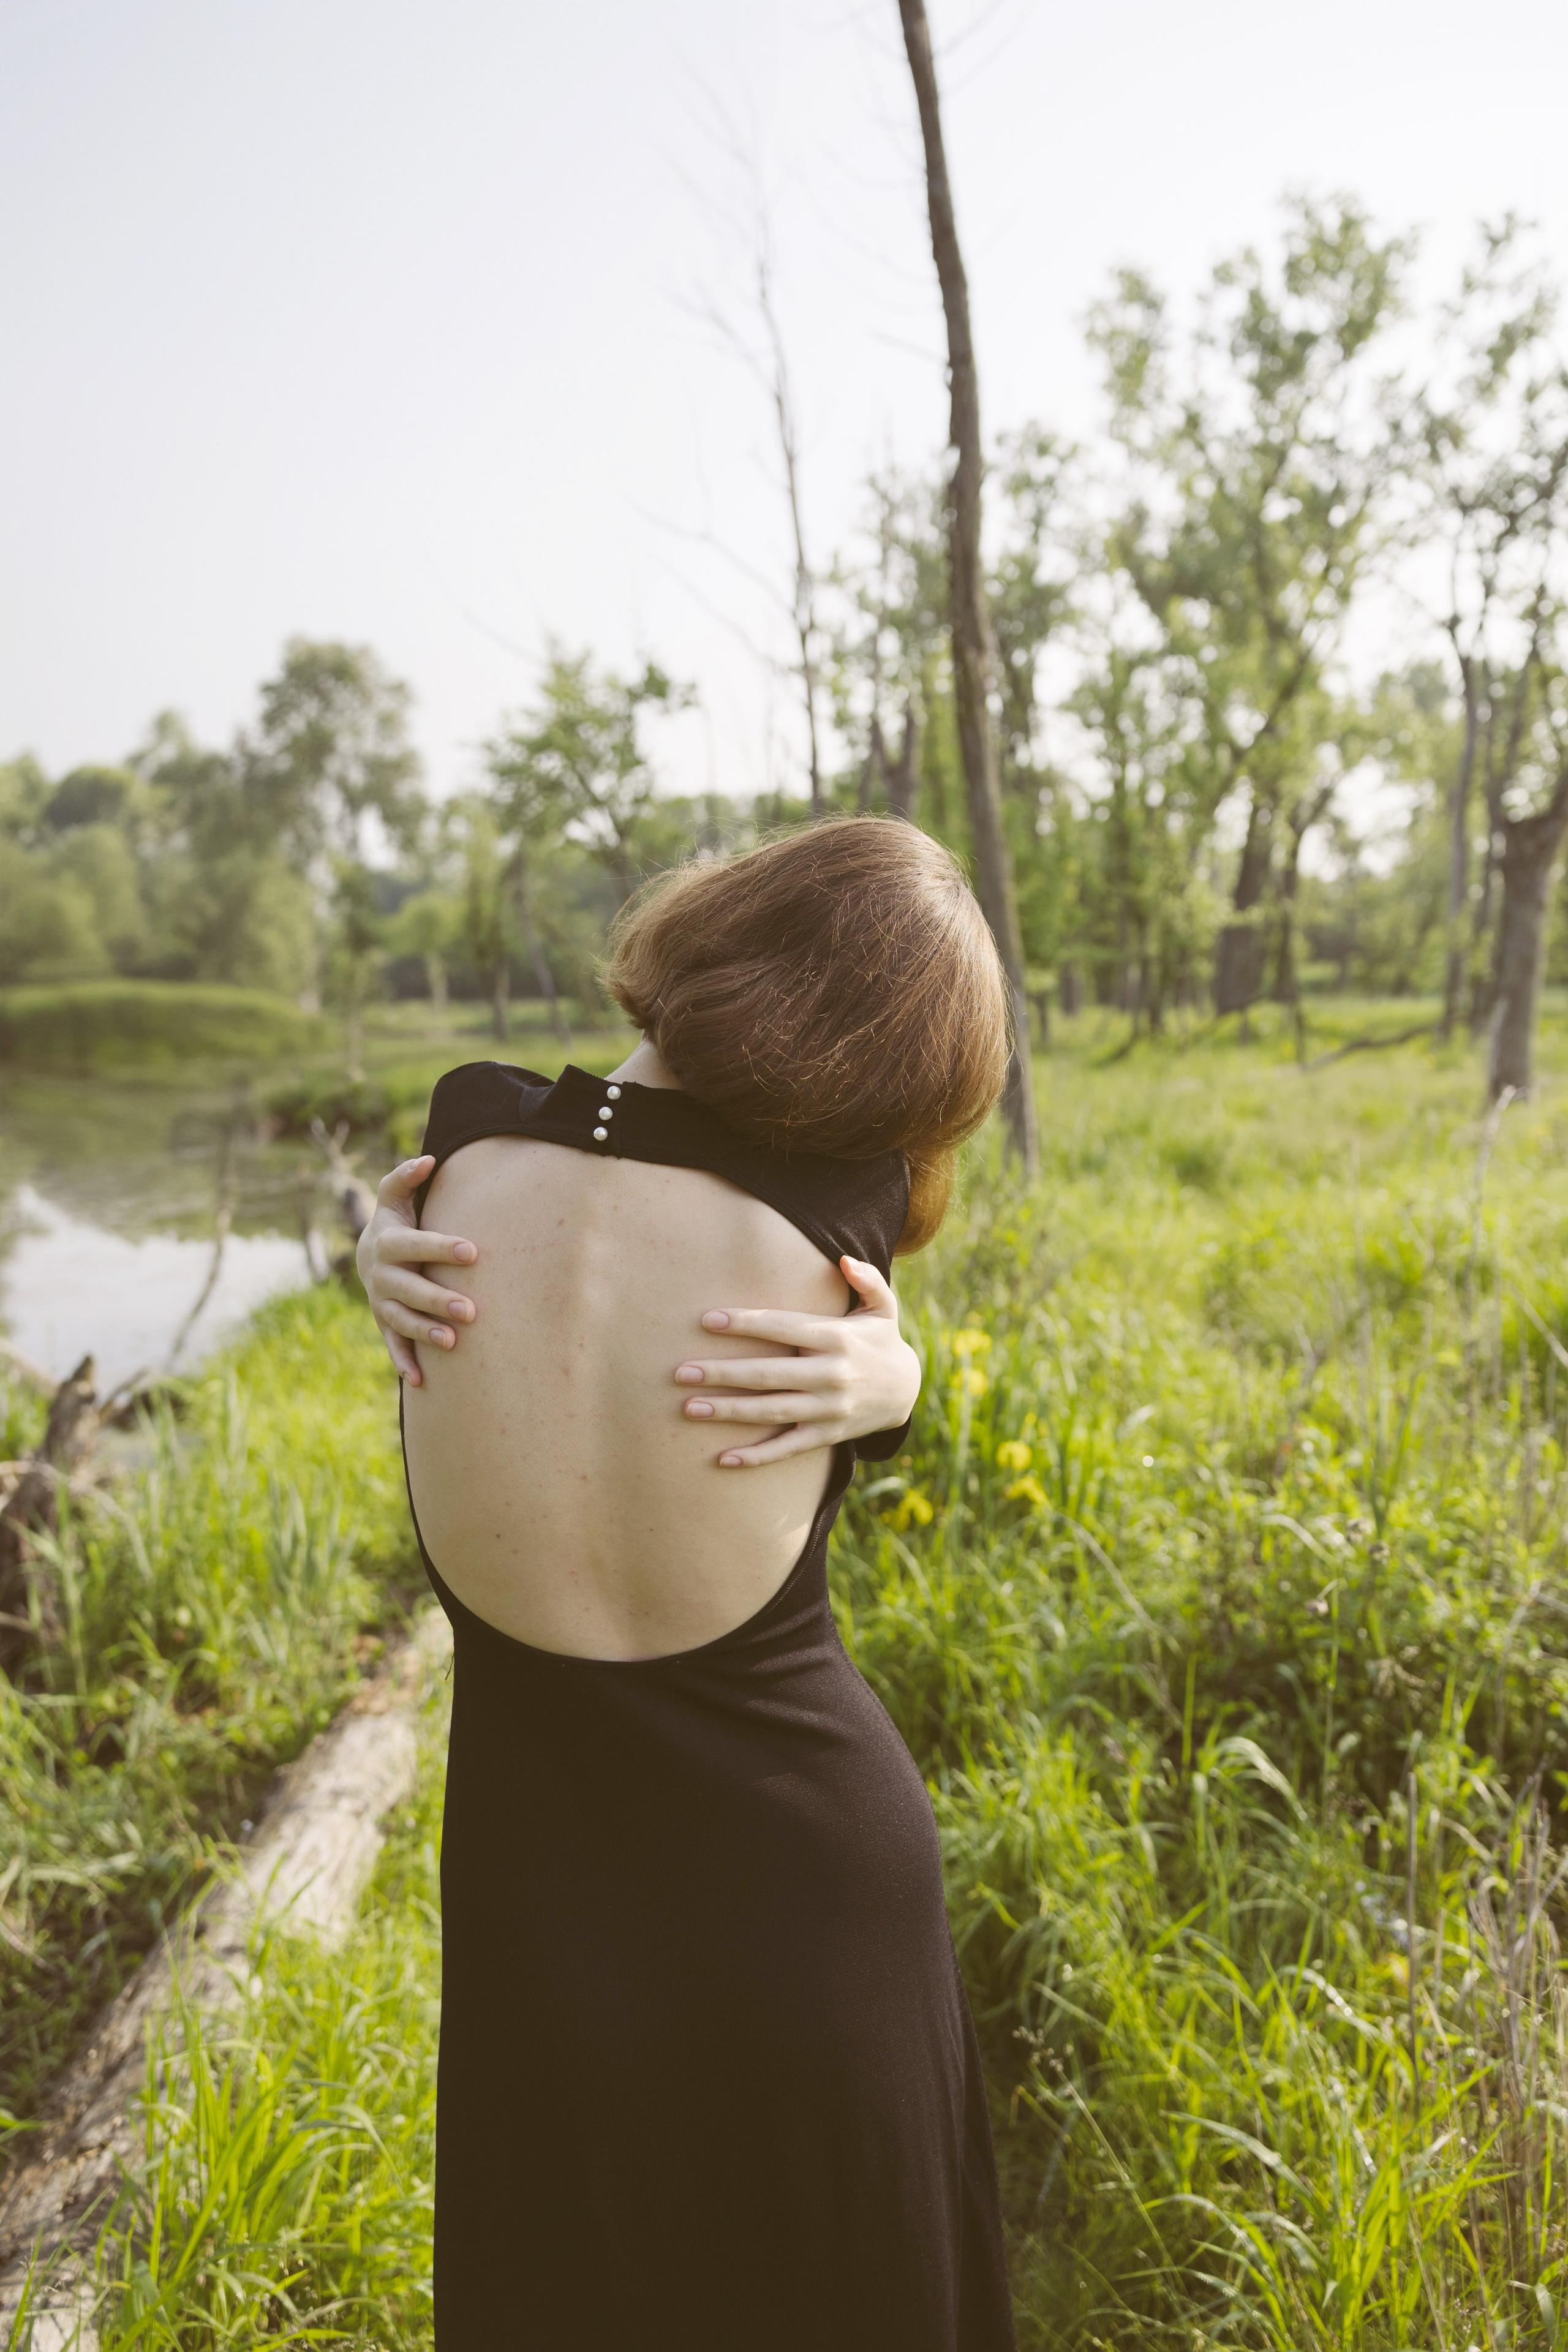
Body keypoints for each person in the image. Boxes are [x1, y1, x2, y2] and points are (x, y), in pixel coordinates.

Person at [358, 816, 1017, 2350]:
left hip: (532, 1894)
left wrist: (366, 1244)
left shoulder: (452, 1163)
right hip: (815, 1885)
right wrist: (903, 1387)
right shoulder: (836, 1223)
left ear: (731, 923)